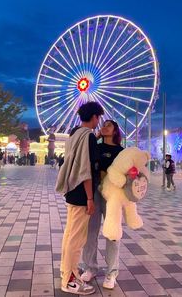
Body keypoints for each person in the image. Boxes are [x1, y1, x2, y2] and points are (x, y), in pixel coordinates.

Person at [55, 101, 104, 295]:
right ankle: (69, 281)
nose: (98, 121)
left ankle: (66, 270)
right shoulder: (88, 137)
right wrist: (90, 199)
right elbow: (86, 171)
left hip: (71, 191)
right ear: (94, 117)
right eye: (98, 118)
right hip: (82, 194)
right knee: (77, 240)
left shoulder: (74, 134)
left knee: (69, 235)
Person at [81, 120, 124, 289]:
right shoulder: (95, 147)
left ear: (115, 131)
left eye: (109, 125)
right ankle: (90, 267)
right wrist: (95, 137)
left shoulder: (121, 152)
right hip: (95, 192)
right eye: (103, 124)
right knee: (90, 231)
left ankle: (111, 272)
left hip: (113, 195)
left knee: (112, 233)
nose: (104, 126)